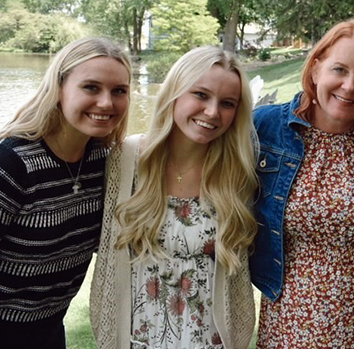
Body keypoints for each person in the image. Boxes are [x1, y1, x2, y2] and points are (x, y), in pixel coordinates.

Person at [0, 37, 131, 348]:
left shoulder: (103, 162)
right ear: (59, 89)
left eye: (119, 91)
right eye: (90, 87)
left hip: (50, 330)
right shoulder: (5, 164)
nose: (106, 103)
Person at [90, 46, 257, 349]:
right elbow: (107, 263)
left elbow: (238, 281)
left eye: (227, 103)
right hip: (138, 338)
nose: (212, 112)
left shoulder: (235, 172)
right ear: (174, 93)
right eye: (201, 95)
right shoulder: (125, 159)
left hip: (208, 339)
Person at [249, 19, 354, 348]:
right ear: (316, 68)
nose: (349, 86)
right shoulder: (266, 128)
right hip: (289, 323)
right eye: (339, 70)